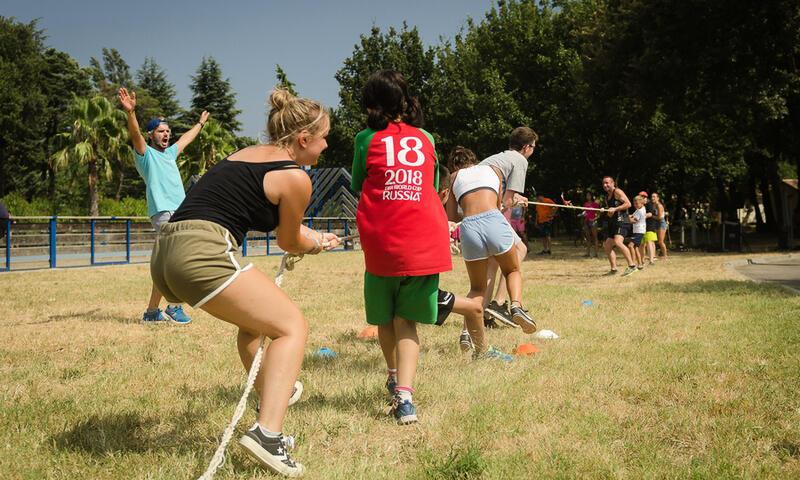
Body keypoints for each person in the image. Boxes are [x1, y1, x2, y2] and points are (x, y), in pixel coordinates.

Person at [149, 87, 336, 476]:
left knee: (255, 327)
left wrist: (311, 236)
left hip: (166, 252)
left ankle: (274, 391)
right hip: (202, 250)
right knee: (291, 327)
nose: (326, 145)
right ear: (303, 140)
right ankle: (267, 434)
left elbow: (288, 227)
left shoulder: (245, 155)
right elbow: (290, 240)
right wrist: (316, 243)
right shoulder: (296, 178)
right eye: (323, 138)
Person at [350, 70, 452, 425]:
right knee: (407, 320)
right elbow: (432, 185)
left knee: (384, 318)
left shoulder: (366, 137)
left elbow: (357, 182)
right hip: (426, 238)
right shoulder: (426, 137)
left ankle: (395, 377)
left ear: (370, 104)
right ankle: (405, 398)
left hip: (384, 240)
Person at [119, 87, 208, 325]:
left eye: (168, 131)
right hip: (163, 213)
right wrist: (131, 113)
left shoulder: (169, 154)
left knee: (167, 264)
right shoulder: (145, 154)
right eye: (161, 131)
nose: (166, 134)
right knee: (177, 261)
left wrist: (200, 124)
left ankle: (151, 313)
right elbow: (135, 133)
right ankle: (174, 307)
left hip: (179, 212)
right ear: (151, 135)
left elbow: (186, 139)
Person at [446, 145, 537, 337]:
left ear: (455, 165)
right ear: (474, 159)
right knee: (511, 270)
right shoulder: (493, 170)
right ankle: (516, 307)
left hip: (469, 227)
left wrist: (469, 213)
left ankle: (467, 333)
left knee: (477, 288)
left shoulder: (454, 178)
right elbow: (498, 206)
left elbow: (452, 216)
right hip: (494, 220)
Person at [478, 127, 537, 327]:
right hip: (488, 212)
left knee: (493, 262)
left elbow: (501, 195)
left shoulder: (494, 159)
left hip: (473, 212)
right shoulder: (520, 160)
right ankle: (499, 303)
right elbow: (508, 200)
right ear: (527, 147)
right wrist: (516, 201)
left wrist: (515, 198)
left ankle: (483, 316)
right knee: (520, 249)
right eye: (533, 147)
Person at [601, 176, 637, 276]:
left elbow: (628, 204)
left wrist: (615, 209)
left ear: (613, 183)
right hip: (614, 223)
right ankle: (614, 269)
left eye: (607, 183)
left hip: (623, 221)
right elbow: (611, 212)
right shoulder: (606, 197)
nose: (605, 185)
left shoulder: (617, 192)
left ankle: (632, 266)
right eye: (604, 183)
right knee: (607, 245)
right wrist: (609, 212)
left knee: (618, 242)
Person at [628, 195, 647, 269]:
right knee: (635, 248)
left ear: (642, 203)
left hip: (639, 231)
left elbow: (634, 220)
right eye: (634, 203)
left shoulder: (640, 211)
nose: (635, 205)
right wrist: (624, 215)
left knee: (630, 245)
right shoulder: (639, 209)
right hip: (638, 231)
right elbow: (632, 216)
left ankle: (632, 263)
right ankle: (640, 265)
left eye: (637, 203)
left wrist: (624, 219)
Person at [641, 191, 658, 265]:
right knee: (641, 244)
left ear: (646, 198)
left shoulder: (650, 204)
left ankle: (651, 261)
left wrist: (640, 217)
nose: (641, 199)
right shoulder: (640, 205)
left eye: (643, 197)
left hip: (650, 226)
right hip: (641, 227)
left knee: (649, 242)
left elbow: (650, 214)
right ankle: (641, 260)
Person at [582, 192, 600, 258]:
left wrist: (593, 219)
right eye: (587, 195)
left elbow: (598, 215)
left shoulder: (595, 204)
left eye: (589, 195)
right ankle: (587, 253)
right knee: (588, 238)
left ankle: (596, 253)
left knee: (595, 238)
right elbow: (585, 212)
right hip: (586, 222)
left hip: (593, 222)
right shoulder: (585, 204)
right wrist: (583, 215)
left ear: (592, 196)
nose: (587, 196)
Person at [651, 192, 668, 259]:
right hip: (655, 223)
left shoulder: (659, 206)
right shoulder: (653, 205)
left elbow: (659, 217)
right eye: (652, 197)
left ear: (658, 198)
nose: (652, 198)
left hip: (661, 223)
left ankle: (665, 255)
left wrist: (651, 216)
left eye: (654, 197)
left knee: (660, 241)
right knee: (653, 240)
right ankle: (653, 256)